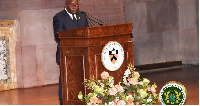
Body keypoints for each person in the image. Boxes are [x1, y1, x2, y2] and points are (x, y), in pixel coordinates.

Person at [53, 0, 88, 104]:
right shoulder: (59, 17)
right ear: (66, 5)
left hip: (83, 53)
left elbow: (87, 31)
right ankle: (64, 101)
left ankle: (81, 100)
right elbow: (58, 36)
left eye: (77, 5)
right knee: (66, 79)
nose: (75, 7)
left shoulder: (82, 15)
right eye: (72, 5)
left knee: (82, 77)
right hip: (66, 54)